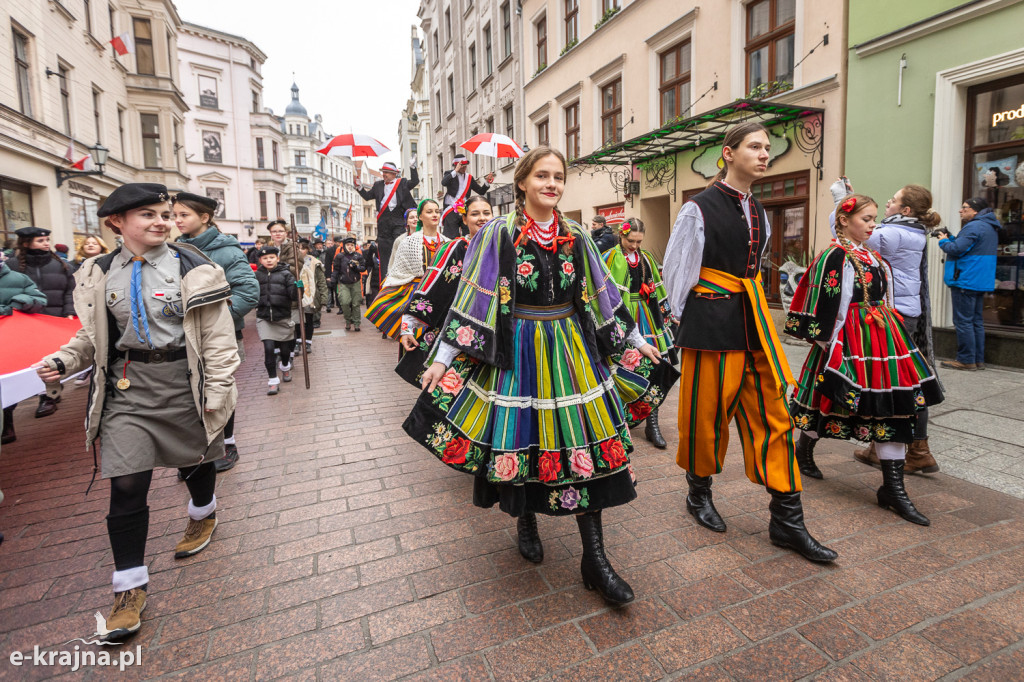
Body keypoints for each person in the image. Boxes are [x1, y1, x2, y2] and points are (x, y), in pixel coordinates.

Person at [403, 146, 662, 605]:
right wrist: (442, 358)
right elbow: (474, 298)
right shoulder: (496, 234)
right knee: (524, 437)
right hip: (516, 349)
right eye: (542, 175)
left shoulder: (578, 234)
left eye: (558, 176)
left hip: (570, 349)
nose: (552, 184)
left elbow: (603, 295)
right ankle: (526, 519)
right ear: (521, 182)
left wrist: (638, 341)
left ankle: (596, 559)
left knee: (586, 443)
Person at [34, 183, 239, 642]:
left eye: (165, 213)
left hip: (186, 383)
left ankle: (202, 511)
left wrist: (219, 390)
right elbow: (93, 336)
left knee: (196, 460)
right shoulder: (97, 272)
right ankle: (129, 587)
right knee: (126, 484)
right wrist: (63, 362)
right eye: (147, 215)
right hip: (127, 389)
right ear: (116, 224)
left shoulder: (197, 267)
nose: (161, 221)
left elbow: (219, 340)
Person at [663, 121, 836, 564]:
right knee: (706, 415)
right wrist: (682, 325)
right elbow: (677, 273)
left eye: (767, 149)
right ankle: (698, 492)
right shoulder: (697, 208)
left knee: (775, 417)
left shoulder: (758, 210)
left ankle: (787, 520)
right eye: (755, 147)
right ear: (728, 152)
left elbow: (753, 267)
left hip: (753, 320)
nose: (765, 155)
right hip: (710, 323)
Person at [786, 194, 944, 525]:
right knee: (830, 399)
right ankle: (802, 453)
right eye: (867, 219)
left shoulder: (873, 257)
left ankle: (893, 489)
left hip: (882, 339)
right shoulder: (834, 256)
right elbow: (828, 304)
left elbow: (886, 298)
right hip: (846, 340)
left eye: (874, 218)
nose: (873, 225)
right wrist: (831, 345)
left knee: (896, 407)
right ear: (844, 221)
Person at [819, 185, 943, 477]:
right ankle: (891, 447)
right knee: (896, 378)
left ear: (906, 210)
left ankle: (916, 450)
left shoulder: (893, 234)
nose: (888, 202)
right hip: (901, 311)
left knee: (900, 381)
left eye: (893, 199)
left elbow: (844, 227)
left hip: (889, 313)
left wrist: (843, 201)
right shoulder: (912, 231)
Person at [173, 192, 259, 473]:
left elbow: (248, 292)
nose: (177, 220)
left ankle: (227, 443)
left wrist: (215, 322)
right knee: (190, 392)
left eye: (183, 215)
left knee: (219, 390)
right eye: (175, 215)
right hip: (185, 338)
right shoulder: (173, 250)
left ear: (204, 217)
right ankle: (197, 449)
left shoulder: (227, 250)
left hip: (220, 337)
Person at [397, 196, 493, 385]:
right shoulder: (455, 248)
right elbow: (434, 286)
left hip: (493, 331)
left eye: (486, 213)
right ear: (464, 219)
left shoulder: (504, 247)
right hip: (458, 327)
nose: (482, 218)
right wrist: (407, 325)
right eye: (475, 214)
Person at [601, 218, 680, 449]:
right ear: (621, 235)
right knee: (621, 367)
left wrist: (667, 316)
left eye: (639, 241)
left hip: (646, 316)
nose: (635, 245)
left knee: (655, 364)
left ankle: (651, 423)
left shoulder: (645, 258)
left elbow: (657, 287)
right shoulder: (609, 257)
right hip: (623, 316)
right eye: (630, 240)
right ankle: (621, 419)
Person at [12, 226, 76, 419]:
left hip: (55, 319)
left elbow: (70, 292)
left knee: (50, 359)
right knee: (28, 360)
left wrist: (69, 312)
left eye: (47, 239)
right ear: (26, 243)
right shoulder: (13, 267)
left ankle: (48, 396)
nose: (46, 243)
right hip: (25, 321)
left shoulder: (61, 265)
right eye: (41, 241)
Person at [366, 199, 447, 340]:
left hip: (441, 298)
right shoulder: (408, 242)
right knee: (415, 343)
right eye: (429, 212)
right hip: (416, 298)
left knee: (439, 341)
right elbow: (397, 274)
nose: (435, 215)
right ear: (420, 216)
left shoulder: (448, 242)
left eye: (437, 211)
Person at [936, 197, 1000, 371]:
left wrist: (943, 240)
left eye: (965, 207)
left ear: (975, 211)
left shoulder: (973, 226)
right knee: (975, 322)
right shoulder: (989, 227)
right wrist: (952, 238)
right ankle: (977, 359)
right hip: (979, 280)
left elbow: (956, 249)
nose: (960, 210)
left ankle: (966, 360)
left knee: (963, 321)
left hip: (966, 280)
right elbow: (968, 247)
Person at [0, 252, 47, 445]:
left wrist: (20, 302)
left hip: (9, 339)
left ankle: (6, 422)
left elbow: (39, 299)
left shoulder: (18, 278)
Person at [354, 160, 419, 279]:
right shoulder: (378, 185)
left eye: (387, 172)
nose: (384, 174)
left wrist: (412, 167)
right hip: (383, 222)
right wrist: (359, 187)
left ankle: (402, 275)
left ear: (394, 173)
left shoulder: (402, 183)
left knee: (400, 246)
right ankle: (385, 279)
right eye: (383, 172)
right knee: (384, 252)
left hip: (398, 219)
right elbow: (368, 197)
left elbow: (415, 181)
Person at [254, 246, 298, 395]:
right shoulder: (256, 275)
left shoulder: (286, 274)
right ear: (260, 260)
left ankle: (285, 367)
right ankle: (273, 380)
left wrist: (299, 289)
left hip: (283, 316)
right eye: (265, 258)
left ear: (277, 259)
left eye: (271, 257)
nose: (269, 260)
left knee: (285, 351)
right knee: (268, 348)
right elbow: (252, 294)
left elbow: (294, 296)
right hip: (264, 317)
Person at [439, 154, 494, 239]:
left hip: (464, 209)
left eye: (465, 166)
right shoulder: (450, 174)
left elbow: (481, 191)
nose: (464, 168)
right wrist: (455, 171)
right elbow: (444, 183)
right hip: (451, 208)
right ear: (456, 166)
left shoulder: (469, 177)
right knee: (451, 236)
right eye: (462, 167)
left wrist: (486, 182)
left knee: (468, 233)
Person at [296, 238, 327, 352]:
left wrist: (324, 298)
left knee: (308, 320)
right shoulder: (292, 261)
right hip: (296, 295)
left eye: (303, 248)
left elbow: (321, 281)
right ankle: (298, 342)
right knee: (297, 320)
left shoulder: (314, 262)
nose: (300, 250)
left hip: (310, 295)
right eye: (298, 248)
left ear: (308, 249)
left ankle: (308, 342)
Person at [331, 237, 366, 331]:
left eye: (352, 245)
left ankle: (357, 323)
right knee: (345, 302)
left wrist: (356, 267)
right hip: (343, 283)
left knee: (356, 304)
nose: (350, 247)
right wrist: (333, 280)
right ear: (344, 246)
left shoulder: (358, 256)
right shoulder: (340, 256)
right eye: (348, 245)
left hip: (355, 283)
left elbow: (363, 268)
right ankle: (348, 320)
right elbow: (336, 269)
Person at [321, 236, 339, 313]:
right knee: (329, 289)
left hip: (339, 273)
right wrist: (327, 276)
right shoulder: (330, 251)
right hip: (331, 272)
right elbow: (327, 264)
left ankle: (339, 305)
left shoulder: (342, 249)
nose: (339, 243)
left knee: (338, 290)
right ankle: (329, 304)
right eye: (338, 242)